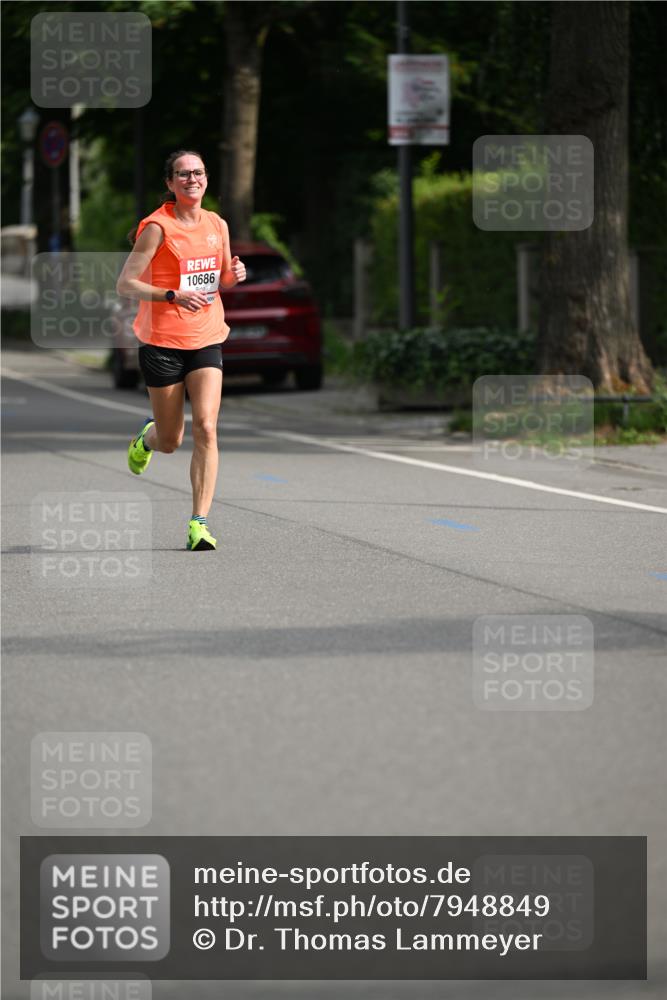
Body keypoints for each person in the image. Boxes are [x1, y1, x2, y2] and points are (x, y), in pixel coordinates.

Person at [117, 150, 246, 551]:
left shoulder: (217, 224)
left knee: (206, 426)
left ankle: (198, 523)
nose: (193, 179)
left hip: (206, 336)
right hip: (162, 342)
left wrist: (235, 275)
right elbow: (125, 284)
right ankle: (147, 439)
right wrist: (172, 294)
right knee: (171, 439)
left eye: (198, 172)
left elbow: (222, 278)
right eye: (184, 174)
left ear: (206, 179)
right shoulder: (158, 227)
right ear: (170, 183)